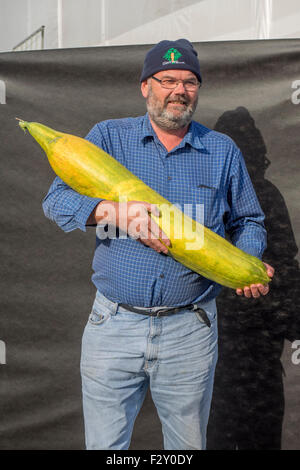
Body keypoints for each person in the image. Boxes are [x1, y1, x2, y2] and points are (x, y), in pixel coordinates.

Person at [42, 39, 274, 450]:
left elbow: (249, 222)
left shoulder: (221, 151)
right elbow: (56, 201)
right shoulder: (109, 138)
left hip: (190, 328)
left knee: (186, 447)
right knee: (105, 446)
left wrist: (248, 260)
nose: (178, 90)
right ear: (145, 86)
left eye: (189, 82)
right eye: (167, 80)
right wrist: (114, 213)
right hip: (113, 325)